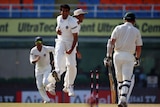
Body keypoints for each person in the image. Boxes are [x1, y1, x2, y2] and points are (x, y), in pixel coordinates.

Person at [104, 12, 143, 107]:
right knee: (127, 79)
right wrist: (137, 58)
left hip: (117, 55)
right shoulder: (136, 31)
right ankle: (123, 99)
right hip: (129, 56)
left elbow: (111, 43)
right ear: (134, 21)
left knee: (120, 80)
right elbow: (138, 47)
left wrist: (108, 56)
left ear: (124, 20)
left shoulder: (118, 28)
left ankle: (122, 100)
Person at [51, 4, 79, 97]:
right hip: (61, 41)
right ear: (60, 11)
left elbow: (75, 38)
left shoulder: (72, 22)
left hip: (70, 43)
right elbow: (58, 28)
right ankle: (58, 72)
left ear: (69, 12)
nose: (64, 13)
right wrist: (56, 31)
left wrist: (71, 49)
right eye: (63, 11)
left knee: (71, 65)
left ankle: (70, 86)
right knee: (58, 53)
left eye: (66, 11)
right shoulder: (58, 18)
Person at [62, 8, 87, 94]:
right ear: (78, 16)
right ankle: (69, 85)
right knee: (72, 67)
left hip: (70, 47)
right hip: (67, 47)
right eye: (82, 15)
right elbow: (71, 38)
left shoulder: (77, 24)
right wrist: (73, 49)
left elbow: (74, 39)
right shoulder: (74, 23)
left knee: (70, 67)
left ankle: (66, 85)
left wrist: (76, 50)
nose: (84, 17)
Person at [29, 36, 55, 103]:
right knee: (40, 86)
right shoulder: (33, 50)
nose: (39, 43)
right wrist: (36, 59)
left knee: (45, 82)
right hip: (38, 69)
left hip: (47, 68)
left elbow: (54, 49)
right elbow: (31, 61)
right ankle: (47, 100)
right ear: (35, 43)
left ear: (42, 43)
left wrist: (55, 59)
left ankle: (51, 86)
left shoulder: (46, 49)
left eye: (40, 42)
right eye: (37, 42)